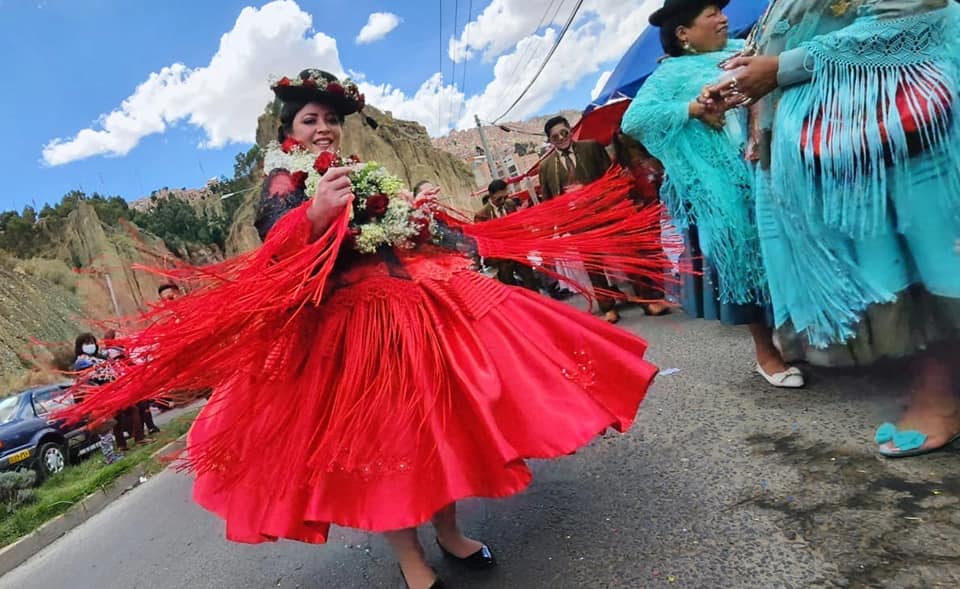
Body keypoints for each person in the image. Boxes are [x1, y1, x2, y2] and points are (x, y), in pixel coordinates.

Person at [62, 69, 671, 589]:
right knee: (392, 446)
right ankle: (411, 559)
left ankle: (452, 532)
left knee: (438, 428)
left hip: (413, 306)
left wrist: (420, 210)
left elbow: (400, 232)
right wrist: (315, 214)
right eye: (309, 119)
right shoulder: (285, 183)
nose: (322, 127)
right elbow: (279, 240)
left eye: (328, 118)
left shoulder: (357, 169)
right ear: (286, 133)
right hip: (352, 330)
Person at [706, 0, 960, 455]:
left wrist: (783, 67)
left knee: (933, 261)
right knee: (902, 266)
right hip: (847, 149)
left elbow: (920, 15)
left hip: (901, 129)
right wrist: (746, 87)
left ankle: (941, 396)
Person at [621, 0, 804, 388]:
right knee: (745, 256)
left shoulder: (747, 52)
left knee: (792, 247)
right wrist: (693, 107)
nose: (723, 19)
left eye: (721, 13)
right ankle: (765, 352)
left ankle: (806, 333)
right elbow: (634, 120)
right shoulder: (668, 75)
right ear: (683, 33)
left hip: (772, 165)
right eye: (711, 15)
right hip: (723, 187)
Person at [538, 116, 623, 322]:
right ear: (550, 140)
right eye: (555, 137)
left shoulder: (591, 147)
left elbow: (612, 178)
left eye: (564, 133)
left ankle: (646, 298)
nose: (561, 138)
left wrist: (589, 192)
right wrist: (560, 223)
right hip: (579, 225)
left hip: (604, 214)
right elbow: (549, 202)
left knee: (625, 254)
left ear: (570, 131)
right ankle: (608, 307)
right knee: (593, 266)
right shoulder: (546, 167)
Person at [610, 130, 672, 317]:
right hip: (636, 217)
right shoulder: (619, 167)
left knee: (659, 255)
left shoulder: (651, 155)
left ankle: (663, 294)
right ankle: (648, 300)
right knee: (642, 260)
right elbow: (618, 193)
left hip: (657, 212)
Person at [473, 180, 540, 291]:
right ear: (491, 195)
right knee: (510, 289)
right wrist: (478, 262)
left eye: (506, 196)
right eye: (499, 198)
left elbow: (519, 226)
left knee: (531, 282)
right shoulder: (482, 215)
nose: (503, 201)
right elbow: (480, 240)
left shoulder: (510, 205)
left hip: (518, 252)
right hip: (501, 259)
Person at [72, 333, 123, 464]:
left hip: (99, 397)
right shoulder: (83, 362)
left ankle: (111, 455)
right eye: (87, 343)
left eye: (92, 342)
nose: (91, 345)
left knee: (107, 429)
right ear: (80, 346)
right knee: (104, 429)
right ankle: (110, 458)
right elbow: (99, 376)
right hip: (93, 399)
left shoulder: (94, 359)